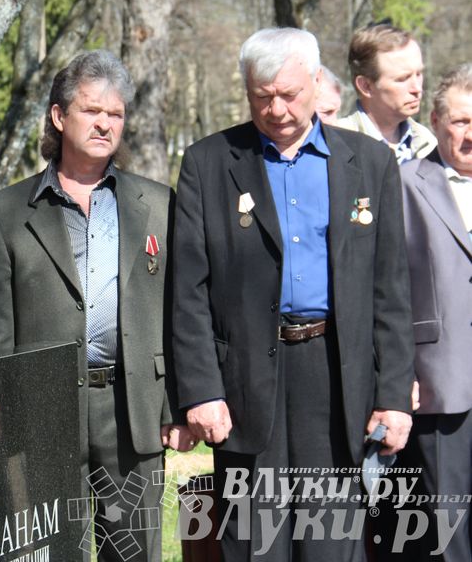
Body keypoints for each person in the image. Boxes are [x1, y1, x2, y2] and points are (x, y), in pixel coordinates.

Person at [173, 28, 415, 561]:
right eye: (262, 96)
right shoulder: (208, 163)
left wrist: (394, 397)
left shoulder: (370, 163)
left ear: (316, 82)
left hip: (338, 378)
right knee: (254, 543)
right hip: (245, 382)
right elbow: (188, 291)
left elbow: (391, 291)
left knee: (332, 543)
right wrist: (200, 391)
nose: (276, 109)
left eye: (289, 94)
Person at [0, 50, 194, 562]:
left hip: (131, 409)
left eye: (115, 114)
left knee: (133, 552)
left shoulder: (158, 204)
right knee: (53, 552)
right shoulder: (6, 211)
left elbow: (178, 313)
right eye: (92, 110)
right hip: (43, 409)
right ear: (59, 116)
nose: (104, 124)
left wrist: (175, 407)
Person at [398, 63, 472, 562]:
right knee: (449, 526)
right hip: (441, 381)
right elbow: (388, 288)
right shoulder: (405, 183)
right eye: (461, 121)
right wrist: (399, 371)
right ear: (437, 121)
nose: (470, 134)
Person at [338, 23, 437, 163]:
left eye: (419, 74)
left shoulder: (427, 143)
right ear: (366, 86)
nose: (417, 88)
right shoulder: (337, 145)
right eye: (403, 79)